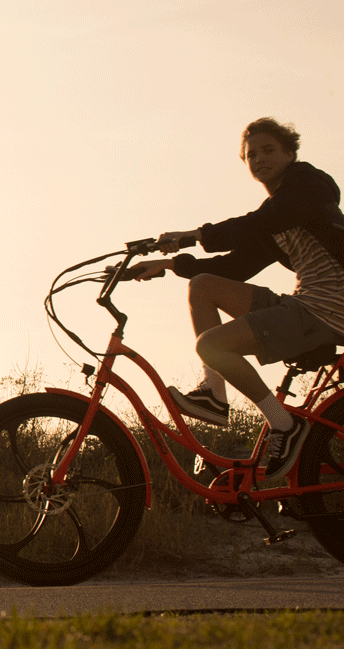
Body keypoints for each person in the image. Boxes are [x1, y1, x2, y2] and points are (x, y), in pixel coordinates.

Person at [124, 117, 344, 477]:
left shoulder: (308, 186)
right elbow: (233, 268)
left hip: (331, 310)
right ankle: (214, 393)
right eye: (251, 155)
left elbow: (257, 223)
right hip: (304, 304)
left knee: (211, 344)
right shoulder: (275, 219)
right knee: (205, 285)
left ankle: (283, 424)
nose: (259, 159)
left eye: (269, 150)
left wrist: (192, 235)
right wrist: (164, 264)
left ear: (290, 153)